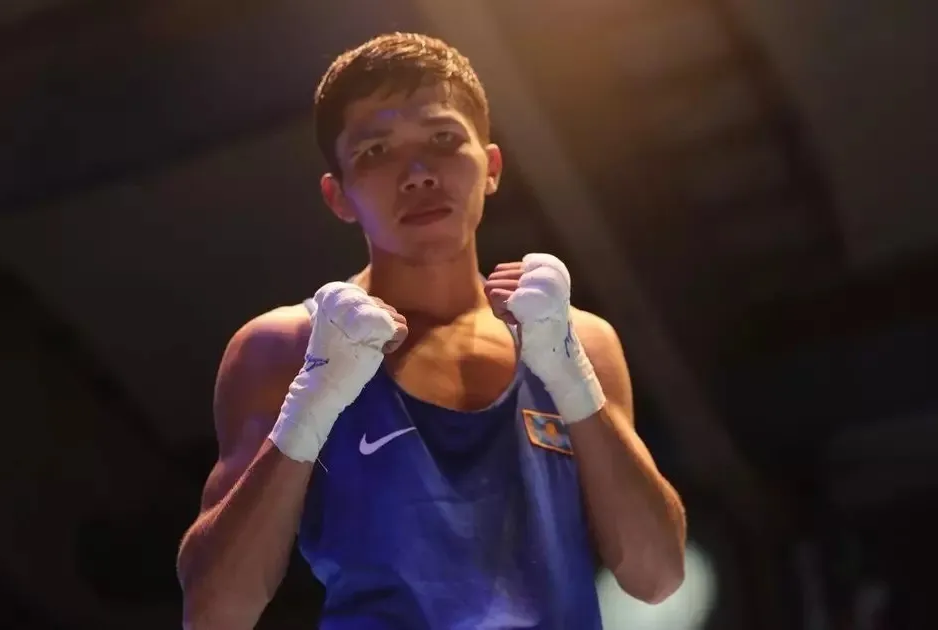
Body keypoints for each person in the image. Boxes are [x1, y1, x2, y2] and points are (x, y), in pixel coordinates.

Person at [176, 32, 687, 629]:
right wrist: (308, 407)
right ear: (338, 196)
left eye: (443, 139)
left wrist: (571, 373)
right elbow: (213, 614)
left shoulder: (581, 342)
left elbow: (657, 575)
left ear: (491, 167)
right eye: (376, 151)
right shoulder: (285, 348)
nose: (417, 173)